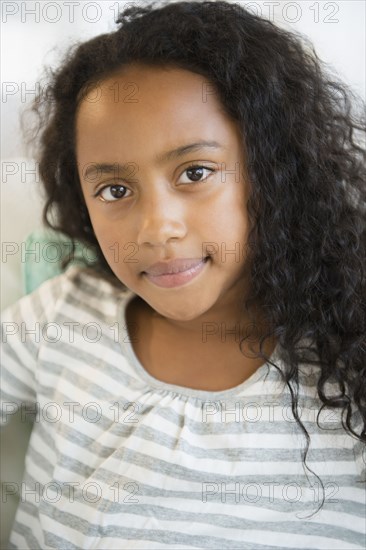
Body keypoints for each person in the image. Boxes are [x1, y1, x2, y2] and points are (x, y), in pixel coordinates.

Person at [1, 1, 365, 548]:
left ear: (274, 171)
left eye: (195, 172)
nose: (156, 228)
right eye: (115, 190)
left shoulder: (351, 361)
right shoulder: (62, 317)